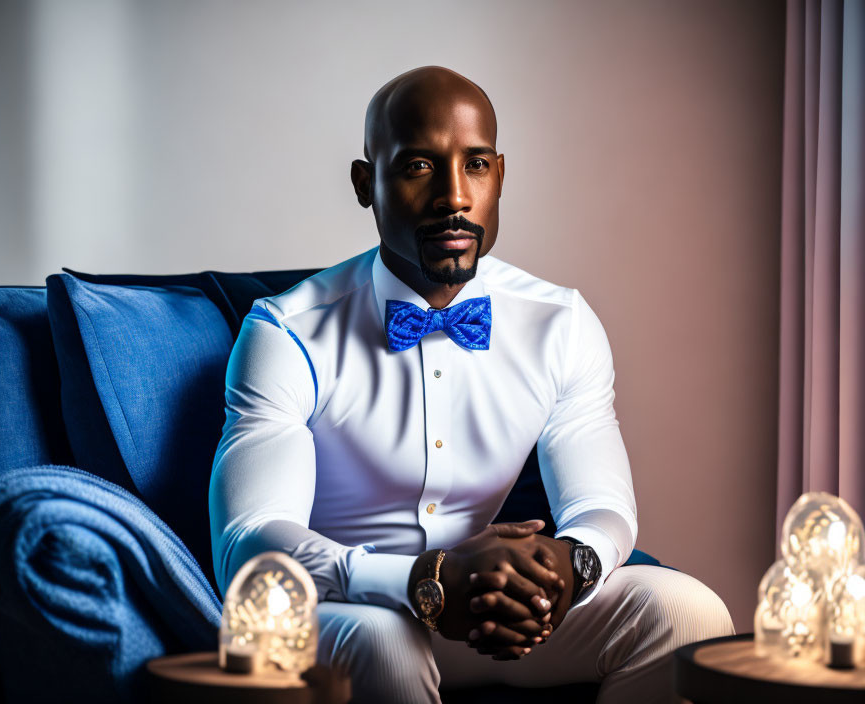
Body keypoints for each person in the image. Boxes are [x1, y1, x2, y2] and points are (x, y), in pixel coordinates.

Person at [209, 65, 734, 703]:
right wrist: (422, 580)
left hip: (483, 610)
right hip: (345, 612)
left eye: (476, 165)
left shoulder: (559, 324)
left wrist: (569, 565)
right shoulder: (286, 332)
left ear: (500, 175)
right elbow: (252, 542)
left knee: (688, 613)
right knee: (386, 643)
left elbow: (603, 505)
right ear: (364, 183)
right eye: (418, 167)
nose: (454, 197)